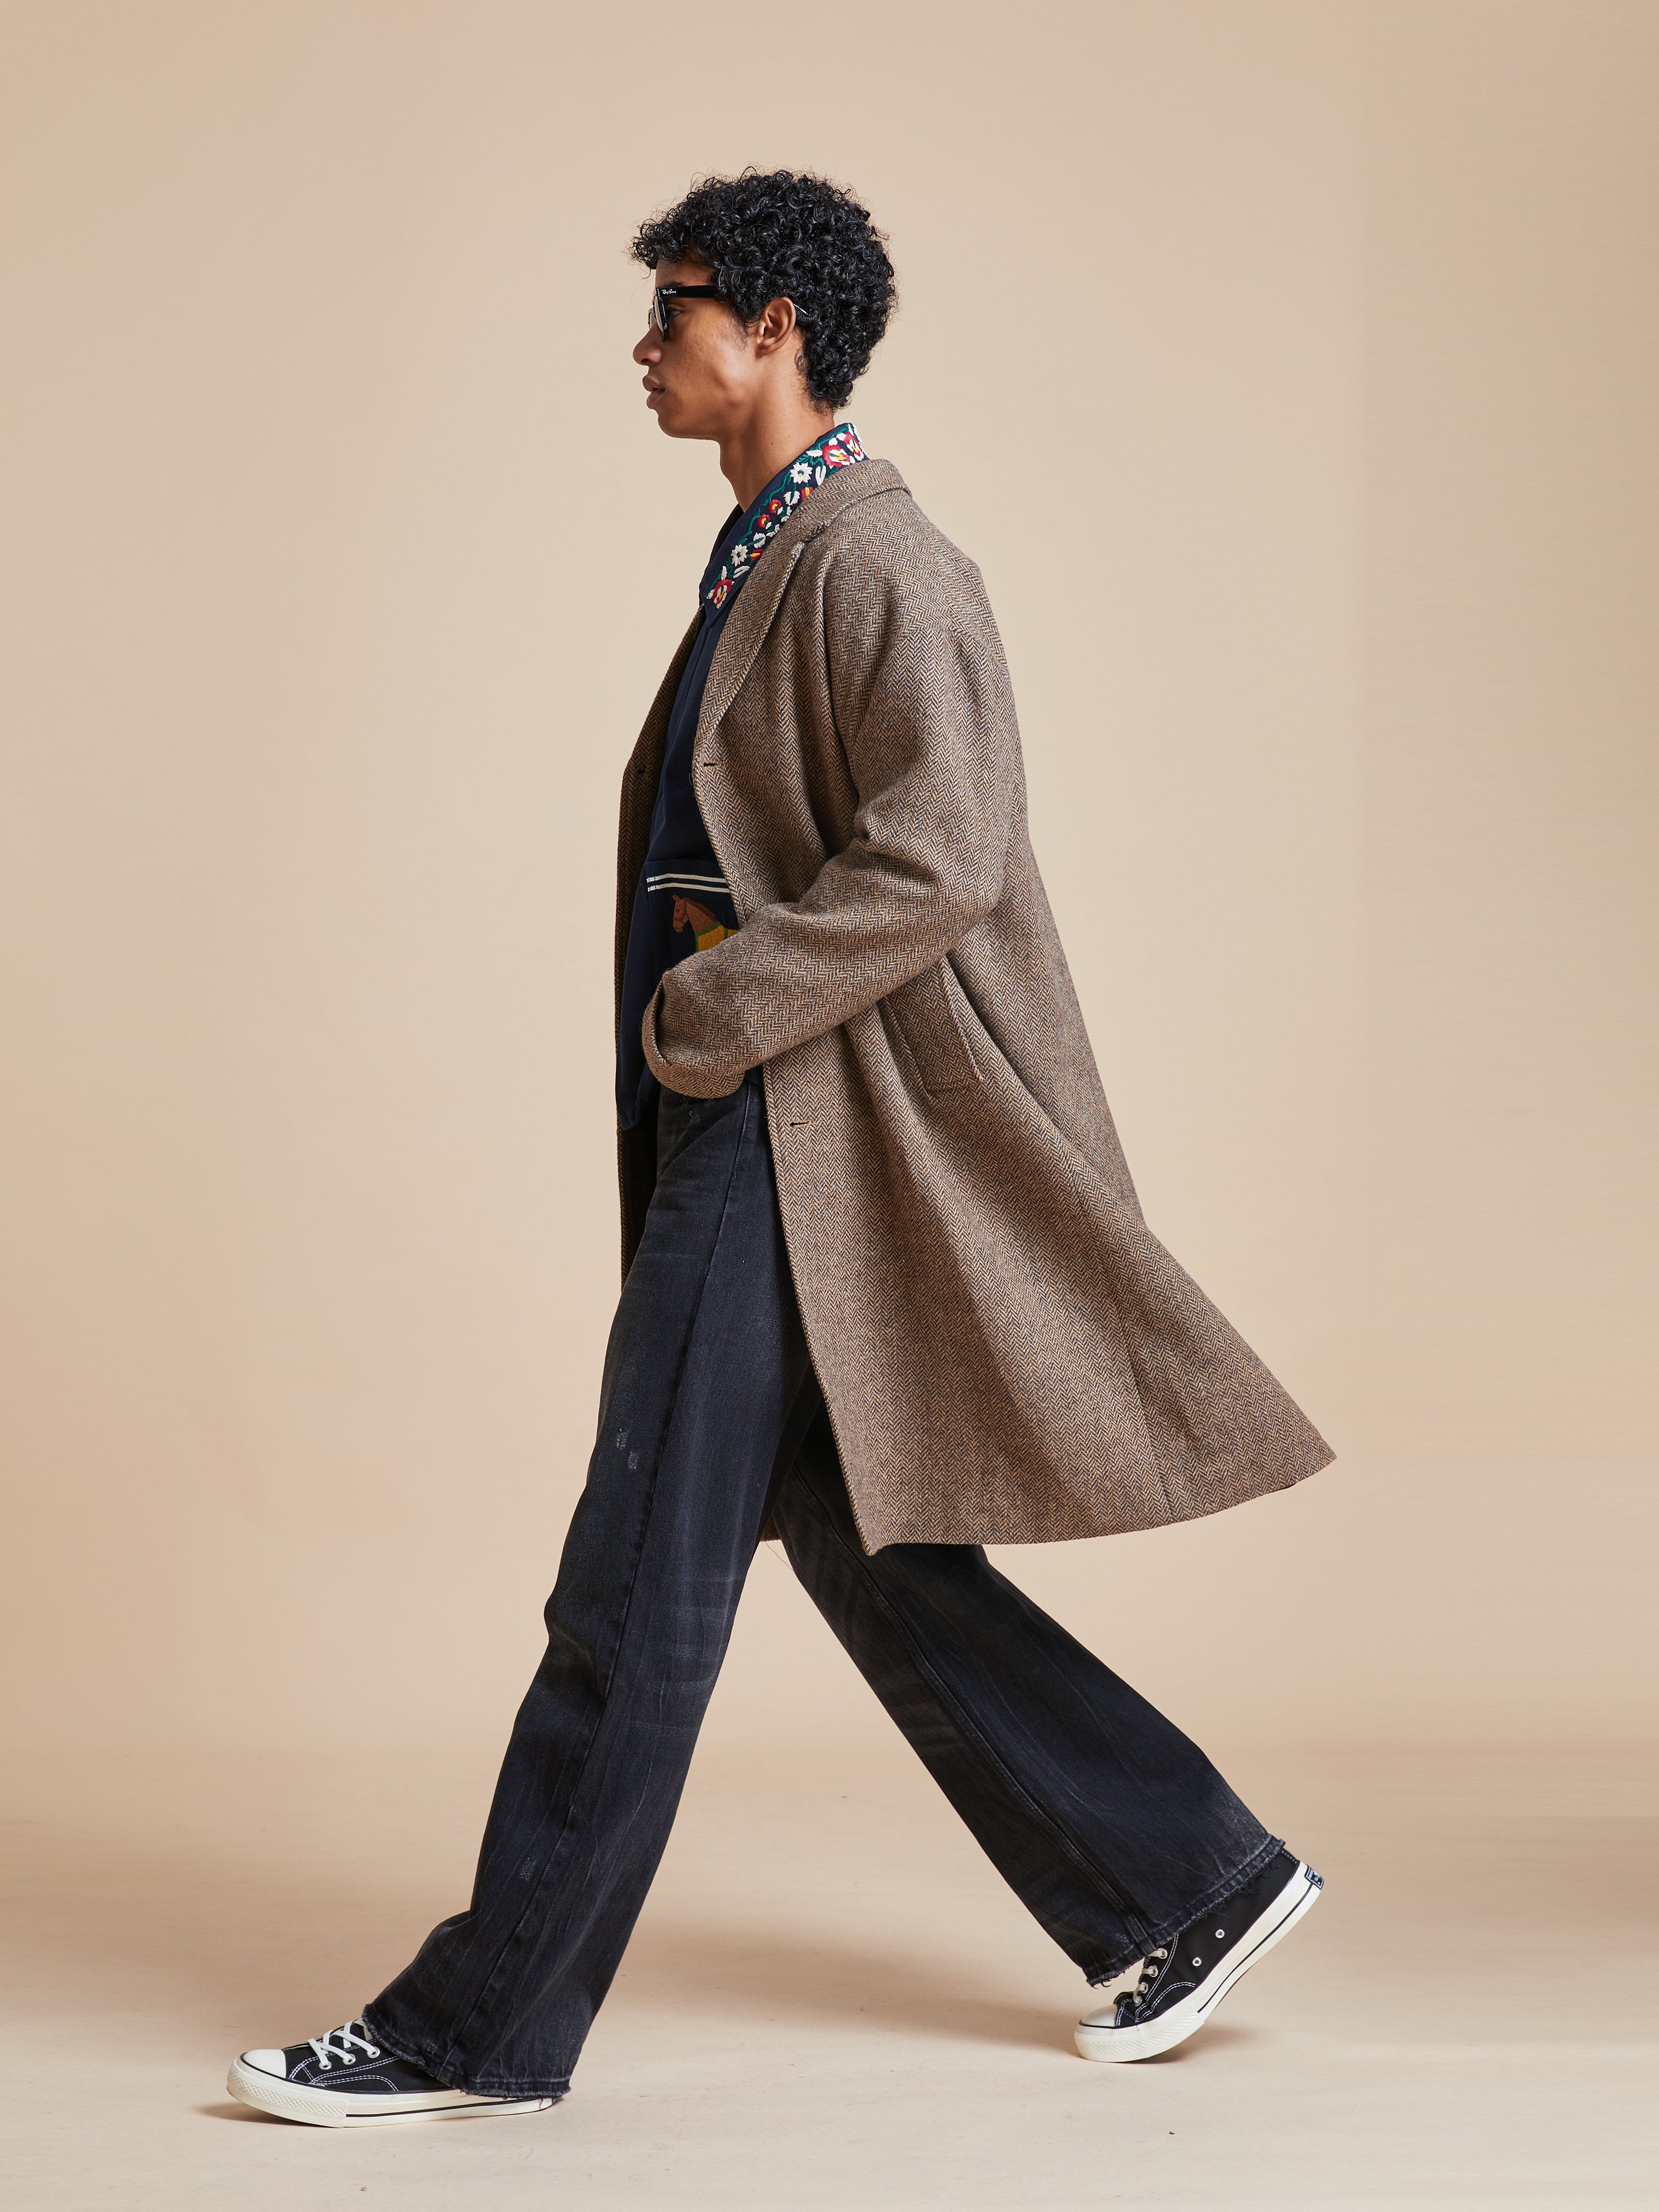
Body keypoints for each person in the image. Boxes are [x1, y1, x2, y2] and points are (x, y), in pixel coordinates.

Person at [229, 168, 1332, 2130]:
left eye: (673, 311)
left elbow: (943, 851)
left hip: (792, 1115)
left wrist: (713, 1016)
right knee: (863, 1537)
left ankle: (475, 2026)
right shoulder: (769, 552)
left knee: (634, 1572)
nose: (643, 348)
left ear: (774, 332)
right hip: (763, 1117)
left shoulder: (882, 561)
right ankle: (1192, 1878)